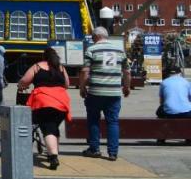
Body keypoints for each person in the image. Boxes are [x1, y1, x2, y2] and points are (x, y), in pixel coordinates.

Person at [79, 26, 131, 160]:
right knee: (113, 122)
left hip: (95, 92)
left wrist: (82, 87)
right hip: (114, 92)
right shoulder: (120, 50)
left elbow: (85, 71)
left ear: (95, 37)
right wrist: (126, 87)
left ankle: (94, 149)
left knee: (93, 120)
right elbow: (127, 71)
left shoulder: (91, 49)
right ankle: (113, 153)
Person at [18, 46, 71, 170]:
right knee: (54, 128)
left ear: (44, 56)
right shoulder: (61, 67)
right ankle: (53, 153)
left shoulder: (37, 66)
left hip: (44, 102)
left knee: (48, 129)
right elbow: (67, 84)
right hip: (61, 102)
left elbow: (24, 81)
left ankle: (53, 156)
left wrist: (21, 85)